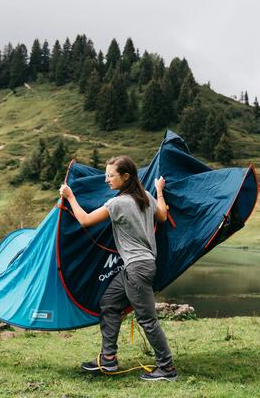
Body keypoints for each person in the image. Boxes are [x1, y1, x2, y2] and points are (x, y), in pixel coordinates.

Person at [59, 155, 177, 382]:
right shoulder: (146, 197)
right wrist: (159, 190)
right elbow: (163, 215)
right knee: (109, 303)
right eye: (105, 175)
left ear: (125, 177)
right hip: (137, 267)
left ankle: (167, 368)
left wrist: (70, 196)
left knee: (147, 320)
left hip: (137, 268)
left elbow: (84, 220)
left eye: (110, 175)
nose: (106, 180)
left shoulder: (118, 203)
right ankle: (109, 359)